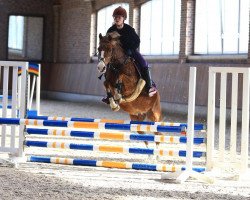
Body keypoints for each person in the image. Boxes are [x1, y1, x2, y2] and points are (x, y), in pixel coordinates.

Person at [101, 6, 157, 104]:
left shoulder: (129, 29)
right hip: (115, 55)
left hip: (130, 51)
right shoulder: (110, 30)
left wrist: (130, 49)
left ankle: (149, 86)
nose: (117, 19)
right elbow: (106, 43)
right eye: (115, 17)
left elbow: (137, 41)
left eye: (119, 17)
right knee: (108, 66)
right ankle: (109, 92)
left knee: (144, 63)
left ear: (123, 18)